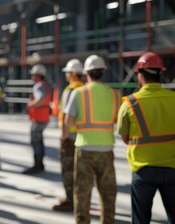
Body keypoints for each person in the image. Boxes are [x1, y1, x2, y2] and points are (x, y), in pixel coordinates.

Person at [116, 52, 175, 223]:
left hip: (143, 171)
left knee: (140, 220)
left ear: (140, 75)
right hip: (172, 167)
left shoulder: (129, 104)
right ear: (160, 73)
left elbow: (125, 138)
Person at [62, 55, 119, 224]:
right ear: (103, 72)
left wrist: (67, 134)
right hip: (107, 149)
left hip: (84, 149)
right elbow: (118, 120)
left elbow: (68, 122)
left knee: (82, 194)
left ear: (86, 73)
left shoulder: (78, 93)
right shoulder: (115, 94)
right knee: (108, 194)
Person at [53, 59, 84, 212]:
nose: (66, 75)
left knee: (68, 170)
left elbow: (67, 115)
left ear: (72, 74)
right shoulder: (85, 88)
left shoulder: (71, 90)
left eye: (67, 72)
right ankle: (77, 199)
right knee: (79, 171)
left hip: (70, 137)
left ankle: (71, 201)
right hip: (83, 136)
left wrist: (64, 135)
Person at [22, 64, 51, 174]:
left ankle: (37, 165)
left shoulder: (38, 86)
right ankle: (40, 164)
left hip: (39, 119)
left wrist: (31, 104)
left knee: (36, 142)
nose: (31, 77)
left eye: (33, 75)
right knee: (39, 141)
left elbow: (41, 99)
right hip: (43, 118)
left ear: (38, 76)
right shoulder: (44, 85)